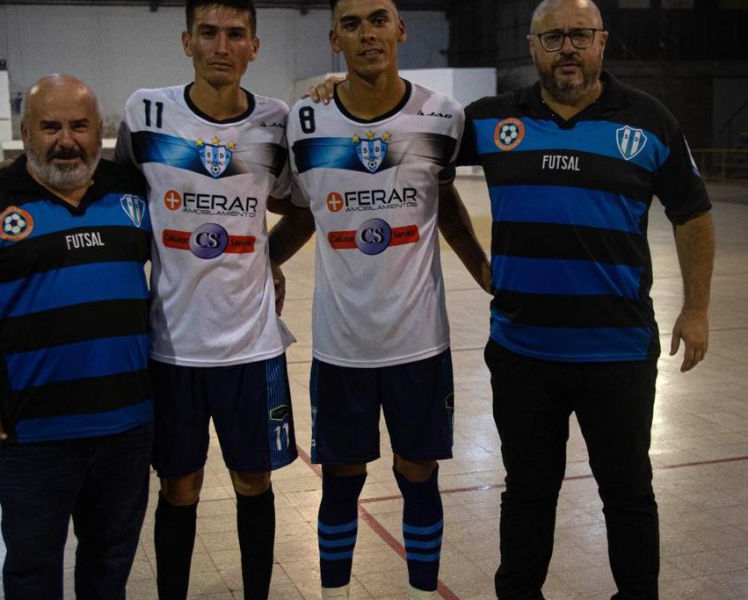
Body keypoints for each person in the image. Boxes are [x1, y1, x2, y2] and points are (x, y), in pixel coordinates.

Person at [454, 1, 715, 598]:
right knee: (527, 492)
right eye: (553, 38)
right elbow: (421, 155)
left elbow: (693, 214)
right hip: (523, 352)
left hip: (617, 354)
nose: (566, 48)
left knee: (627, 493)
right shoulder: (491, 120)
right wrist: (475, 261)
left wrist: (696, 308)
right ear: (531, 45)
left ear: (603, 42)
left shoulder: (650, 121)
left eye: (579, 35)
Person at [268, 1, 491, 598]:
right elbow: (298, 215)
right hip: (341, 349)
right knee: (341, 479)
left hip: (421, 344)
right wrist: (261, 265)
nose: (367, 33)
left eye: (378, 18)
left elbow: (448, 208)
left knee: (418, 473)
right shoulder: (305, 121)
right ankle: (335, 590)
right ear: (334, 38)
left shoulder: (442, 117)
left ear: (401, 28)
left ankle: (423, 589)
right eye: (352, 23)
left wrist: (485, 271)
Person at [0, 75, 154, 598]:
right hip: (34, 433)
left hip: (127, 426)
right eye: (50, 126)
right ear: (26, 132)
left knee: (109, 566)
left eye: (79, 126)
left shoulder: (130, 188)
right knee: (33, 570)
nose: (66, 139)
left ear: (98, 130)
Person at [113, 1, 298, 598]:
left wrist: (269, 257)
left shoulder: (276, 122)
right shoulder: (146, 113)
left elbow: (299, 206)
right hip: (172, 349)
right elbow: (114, 201)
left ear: (254, 46)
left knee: (254, 481)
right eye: (210, 33)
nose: (222, 45)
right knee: (180, 488)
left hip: (253, 347)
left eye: (235, 34)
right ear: (186, 40)